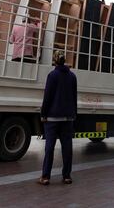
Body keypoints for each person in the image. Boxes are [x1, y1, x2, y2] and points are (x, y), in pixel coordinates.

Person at [39, 51, 77, 185]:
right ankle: (67, 176)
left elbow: (47, 97)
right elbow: (74, 97)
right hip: (68, 118)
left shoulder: (52, 75)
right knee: (67, 147)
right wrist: (74, 114)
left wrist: (43, 114)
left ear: (55, 61)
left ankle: (45, 177)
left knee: (49, 147)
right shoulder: (72, 76)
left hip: (53, 118)